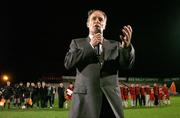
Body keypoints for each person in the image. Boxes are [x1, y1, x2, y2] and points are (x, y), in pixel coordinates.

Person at [64, 9, 135, 118]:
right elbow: (68, 63)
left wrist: (126, 48)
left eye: (101, 19)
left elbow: (127, 65)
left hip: (110, 101)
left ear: (104, 25)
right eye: (94, 18)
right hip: (85, 101)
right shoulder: (77, 43)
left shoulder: (115, 45)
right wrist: (90, 46)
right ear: (88, 24)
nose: (97, 21)